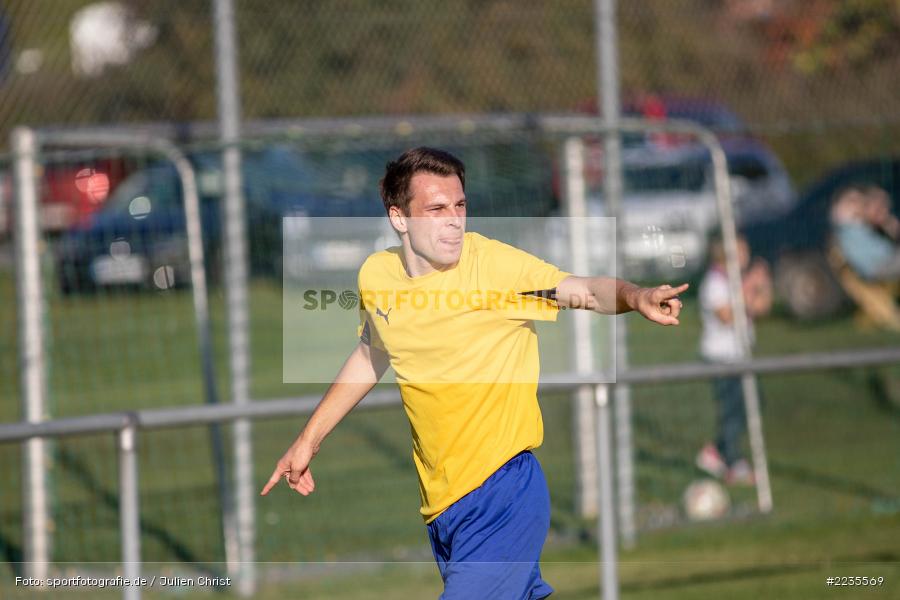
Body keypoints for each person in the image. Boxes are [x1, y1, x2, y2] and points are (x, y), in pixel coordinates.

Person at [261, 147, 688, 599]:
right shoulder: (377, 275)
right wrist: (309, 439)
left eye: (460, 206)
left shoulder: (493, 266)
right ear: (399, 217)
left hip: (504, 493)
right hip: (442, 508)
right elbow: (372, 354)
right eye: (436, 208)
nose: (453, 220)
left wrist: (635, 294)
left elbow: (581, 290)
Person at [695, 234, 771, 486]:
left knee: (754, 402)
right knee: (731, 411)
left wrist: (762, 284)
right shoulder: (714, 282)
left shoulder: (737, 281)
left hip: (741, 356)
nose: (746, 254)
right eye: (740, 250)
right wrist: (750, 287)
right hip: (720, 358)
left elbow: (761, 308)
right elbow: (727, 315)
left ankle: (716, 451)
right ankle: (733, 462)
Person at [832, 185, 900, 282]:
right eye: (852, 201)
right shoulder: (847, 229)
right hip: (879, 264)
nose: (858, 204)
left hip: (885, 260)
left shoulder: (858, 226)